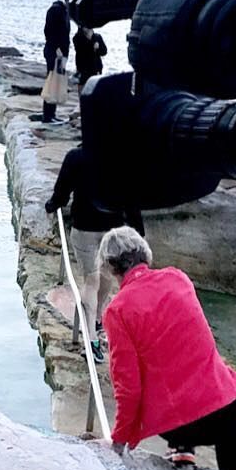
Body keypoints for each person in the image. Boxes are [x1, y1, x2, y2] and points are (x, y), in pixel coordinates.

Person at [97, 226, 236, 470]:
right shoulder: (178, 278)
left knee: (168, 383)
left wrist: (118, 441)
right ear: (144, 253)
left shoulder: (118, 311)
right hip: (229, 405)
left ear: (111, 267)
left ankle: (182, 446)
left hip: (182, 424)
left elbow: (128, 387)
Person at [44, 147, 143, 364]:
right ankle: (96, 323)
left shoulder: (76, 157)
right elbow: (132, 198)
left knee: (92, 281)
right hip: (112, 230)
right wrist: (138, 231)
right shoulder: (123, 157)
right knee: (104, 278)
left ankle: (92, 335)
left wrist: (51, 205)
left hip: (86, 228)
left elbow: (61, 193)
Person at [41, 0, 70, 123]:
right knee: (52, 82)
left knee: (55, 82)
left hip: (57, 52)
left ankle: (51, 113)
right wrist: (57, 48)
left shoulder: (60, 11)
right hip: (55, 52)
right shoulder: (57, 11)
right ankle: (48, 115)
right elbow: (51, 31)